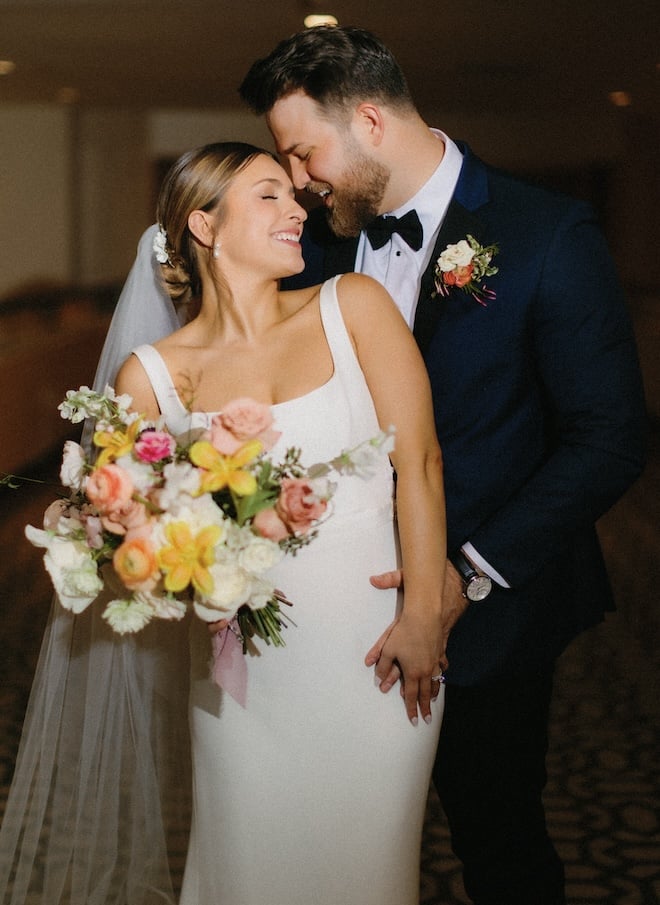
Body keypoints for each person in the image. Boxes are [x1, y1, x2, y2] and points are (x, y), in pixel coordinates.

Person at [237, 25, 648, 905]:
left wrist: (465, 574)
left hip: (492, 610)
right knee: (332, 833)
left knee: (496, 836)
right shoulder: (313, 243)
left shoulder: (546, 233)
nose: (301, 182)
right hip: (333, 605)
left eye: (306, 154)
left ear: (372, 123)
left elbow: (609, 436)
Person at [0, 141, 447, 905]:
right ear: (204, 226)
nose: (297, 209)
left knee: (373, 871)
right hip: (247, 682)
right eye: (269, 195)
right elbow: (123, 527)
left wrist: (425, 614)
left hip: (378, 652)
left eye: (293, 195)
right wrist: (163, 554)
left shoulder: (353, 306)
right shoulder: (154, 373)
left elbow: (424, 464)